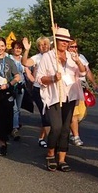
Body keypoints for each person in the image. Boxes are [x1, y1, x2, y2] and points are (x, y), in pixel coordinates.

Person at [36, 28, 86, 171]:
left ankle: (62, 159)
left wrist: (78, 62)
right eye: (62, 40)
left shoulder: (72, 56)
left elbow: (82, 73)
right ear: (56, 41)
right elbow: (40, 78)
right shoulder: (48, 57)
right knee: (56, 127)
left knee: (65, 129)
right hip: (54, 97)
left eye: (67, 41)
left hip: (70, 96)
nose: (65, 43)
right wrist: (52, 78)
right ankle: (51, 154)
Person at [67, 39, 98, 147]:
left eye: (76, 47)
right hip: (70, 88)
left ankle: (70, 129)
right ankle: (75, 136)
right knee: (74, 113)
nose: (74, 49)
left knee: (82, 113)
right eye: (72, 47)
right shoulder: (64, 57)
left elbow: (87, 70)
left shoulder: (81, 57)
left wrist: (93, 83)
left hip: (82, 87)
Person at [23, 36, 52, 148]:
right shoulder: (37, 58)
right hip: (39, 90)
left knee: (52, 116)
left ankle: (42, 138)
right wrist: (26, 50)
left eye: (45, 44)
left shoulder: (54, 56)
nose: (43, 47)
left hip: (51, 90)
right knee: (46, 115)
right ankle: (52, 142)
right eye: (40, 45)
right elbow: (25, 62)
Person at [9, 40, 27, 141]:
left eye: (20, 48)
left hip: (21, 87)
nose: (18, 50)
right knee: (14, 108)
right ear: (12, 49)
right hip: (11, 86)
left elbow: (28, 72)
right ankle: (14, 128)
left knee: (18, 108)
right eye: (16, 48)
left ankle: (15, 123)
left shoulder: (23, 60)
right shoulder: (8, 58)